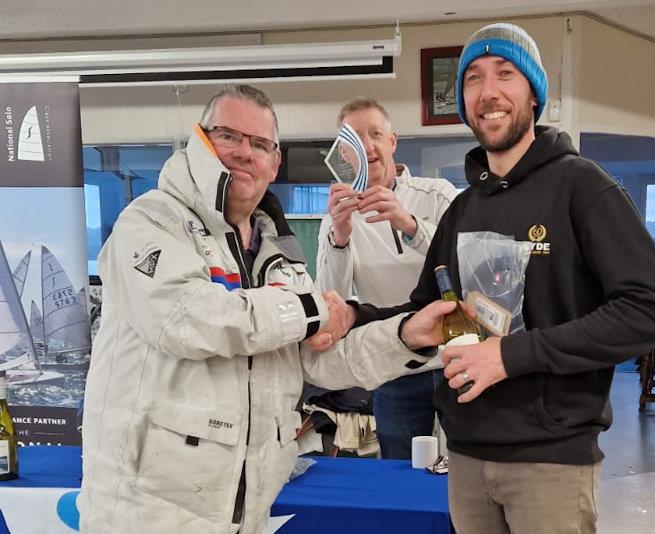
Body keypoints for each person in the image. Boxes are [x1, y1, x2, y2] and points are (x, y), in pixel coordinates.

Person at [77, 84, 454, 534]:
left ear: (274, 163)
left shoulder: (280, 253)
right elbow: (191, 320)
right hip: (148, 514)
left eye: (259, 144)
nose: (244, 153)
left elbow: (319, 358)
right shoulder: (150, 222)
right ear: (201, 140)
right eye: (228, 136)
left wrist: (407, 335)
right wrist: (316, 309)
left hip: (246, 510)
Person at [357, 23, 655, 533]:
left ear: (533, 94)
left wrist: (510, 356)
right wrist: (355, 317)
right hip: (464, 454)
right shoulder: (462, 208)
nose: (488, 92)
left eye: (505, 74)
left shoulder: (583, 188)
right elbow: (423, 312)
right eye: (473, 79)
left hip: (550, 461)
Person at [315, 97, 458, 459]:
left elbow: (465, 267)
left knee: (467, 467)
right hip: (393, 363)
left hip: (455, 357)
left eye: (375, 134)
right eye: (354, 141)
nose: (367, 147)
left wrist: (409, 225)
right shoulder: (335, 216)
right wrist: (341, 236)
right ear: (342, 154)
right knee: (399, 468)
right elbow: (329, 295)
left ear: (393, 141)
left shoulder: (438, 195)